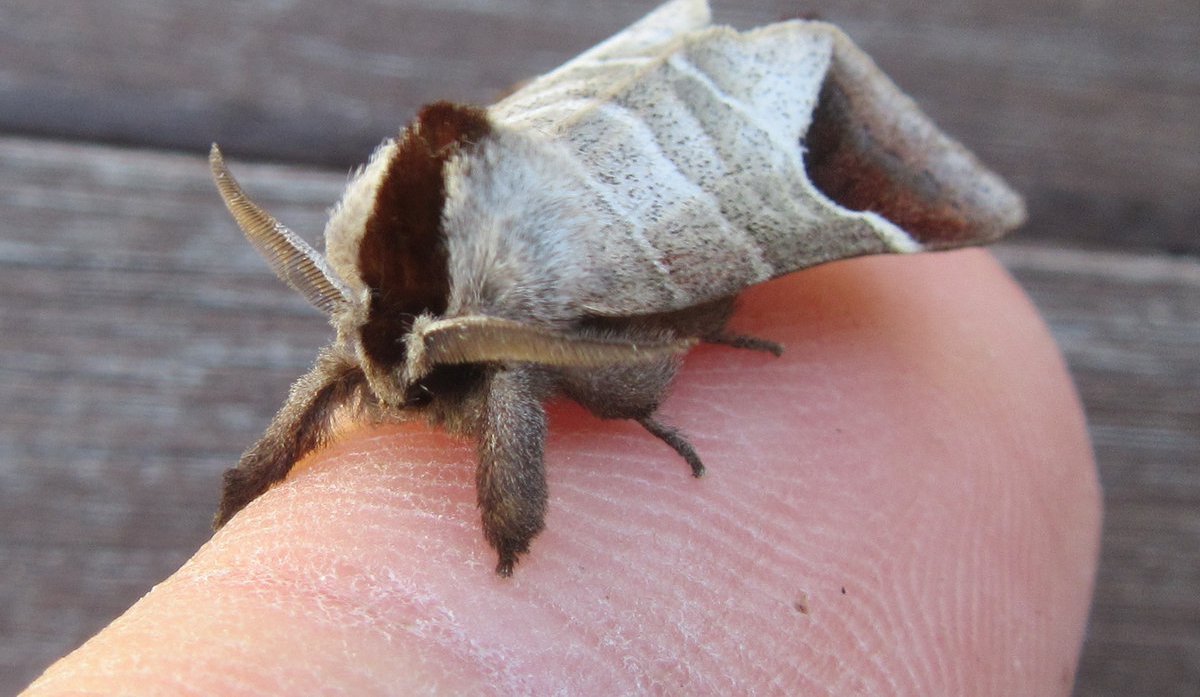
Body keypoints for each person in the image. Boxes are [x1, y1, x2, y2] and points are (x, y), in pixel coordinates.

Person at [23, 251, 1100, 694]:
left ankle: (511, 539)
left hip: (581, 308)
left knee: (545, 384)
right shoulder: (391, 342)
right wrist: (261, 477)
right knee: (401, 372)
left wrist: (509, 536)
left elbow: (555, 379)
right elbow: (347, 368)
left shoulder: (524, 359)